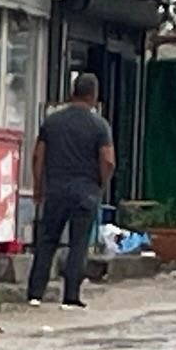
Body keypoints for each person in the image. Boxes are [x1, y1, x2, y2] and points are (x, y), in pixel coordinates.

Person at [25, 72, 117, 307]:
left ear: (73, 91)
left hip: (55, 190)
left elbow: (38, 155)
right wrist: (100, 184)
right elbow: (108, 160)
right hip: (86, 191)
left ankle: (35, 293)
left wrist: (38, 186)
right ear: (93, 96)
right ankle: (71, 296)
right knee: (79, 244)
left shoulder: (52, 121)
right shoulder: (99, 125)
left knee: (47, 241)